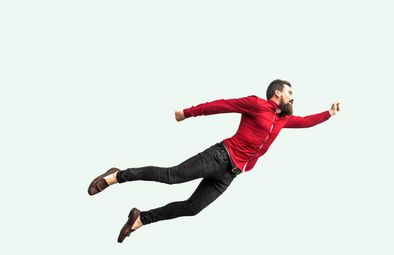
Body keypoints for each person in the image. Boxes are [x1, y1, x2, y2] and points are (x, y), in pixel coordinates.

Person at [87, 79, 341, 243]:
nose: (293, 98)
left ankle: (140, 218)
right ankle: (116, 176)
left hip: (230, 173)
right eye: (290, 93)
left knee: (193, 207)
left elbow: (306, 121)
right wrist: (189, 113)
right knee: (171, 176)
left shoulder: (283, 120)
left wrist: (328, 114)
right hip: (220, 155)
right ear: (277, 93)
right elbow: (223, 105)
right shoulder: (256, 104)